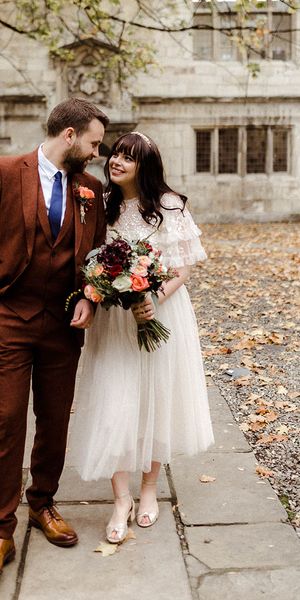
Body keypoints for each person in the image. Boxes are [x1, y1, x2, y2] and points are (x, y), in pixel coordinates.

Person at [70, 131, 214, 544]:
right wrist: (98, 290)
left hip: (159, 314)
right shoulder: (102, 206)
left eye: (127, 158)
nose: (116, 161)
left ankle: (149, 489)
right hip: (114, 322)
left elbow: (183, 267)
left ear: (144, 166)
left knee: (155, 397)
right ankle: (120, 499)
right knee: (114, 400)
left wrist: (151, 298)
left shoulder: (169, 206)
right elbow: (90, 262)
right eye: (115, 153)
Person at [0, 97, 109, 572]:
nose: (97, 152)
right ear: (70, 135)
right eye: (94, 142)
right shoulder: (7, 172)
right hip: (9, 316)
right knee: (5, 419)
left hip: (63, 325)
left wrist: (90, 295)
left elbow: (98, 254)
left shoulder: (91, 188)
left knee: (55, 420)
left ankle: (42, 502)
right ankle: (2, 526)